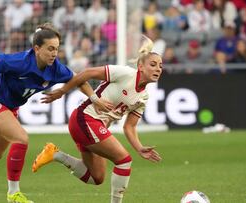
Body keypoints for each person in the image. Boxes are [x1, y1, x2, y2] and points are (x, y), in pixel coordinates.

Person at [0, 23, 112, 203]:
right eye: (50, 49)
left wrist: (94, 98)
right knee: (21, 138)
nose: (54, 53)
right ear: (37, 48)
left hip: (10, 108)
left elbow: (79, 80)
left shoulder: (56, 69)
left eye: (57, 49)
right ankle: (13, 193)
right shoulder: (20, 62)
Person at [32, 35, 163, 203]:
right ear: (140, 67)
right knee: (124, 160)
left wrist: (139, 148)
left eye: (160, 66)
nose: (158, 69)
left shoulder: (144, 97)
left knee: (96, 177)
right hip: (84, 119)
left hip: (94, 127)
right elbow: (86, 73)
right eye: (153, 65)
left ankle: (55, 155)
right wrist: (63, 91)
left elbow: (129, 127)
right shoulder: (125, 74)